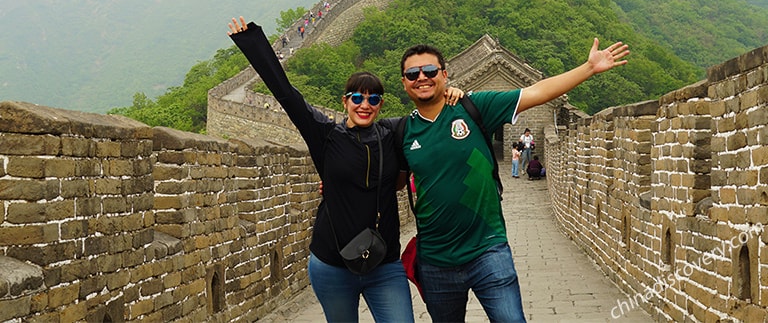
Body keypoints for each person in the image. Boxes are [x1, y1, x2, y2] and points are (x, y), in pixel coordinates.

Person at [226, 17, 464, 323]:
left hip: (385, 263)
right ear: (345, 101)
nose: (365, 104)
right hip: (331, 264)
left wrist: (452, 94)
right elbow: (285, 93)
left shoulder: (394, 132)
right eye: (357, 97)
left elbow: (428, 113)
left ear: (380, 105)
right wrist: (252, 43)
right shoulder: (324, 135)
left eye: (373, 99)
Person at [398, 37, 629, 322]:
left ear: (444, 75)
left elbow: (536, 92)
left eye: (430, 71)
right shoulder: (402, 131)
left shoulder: (474, 107)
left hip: (488, 248)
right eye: (413, 74)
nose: (422, 78)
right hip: (435, 259)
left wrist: (588, 68)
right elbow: (378, 167)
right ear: (404, 82)